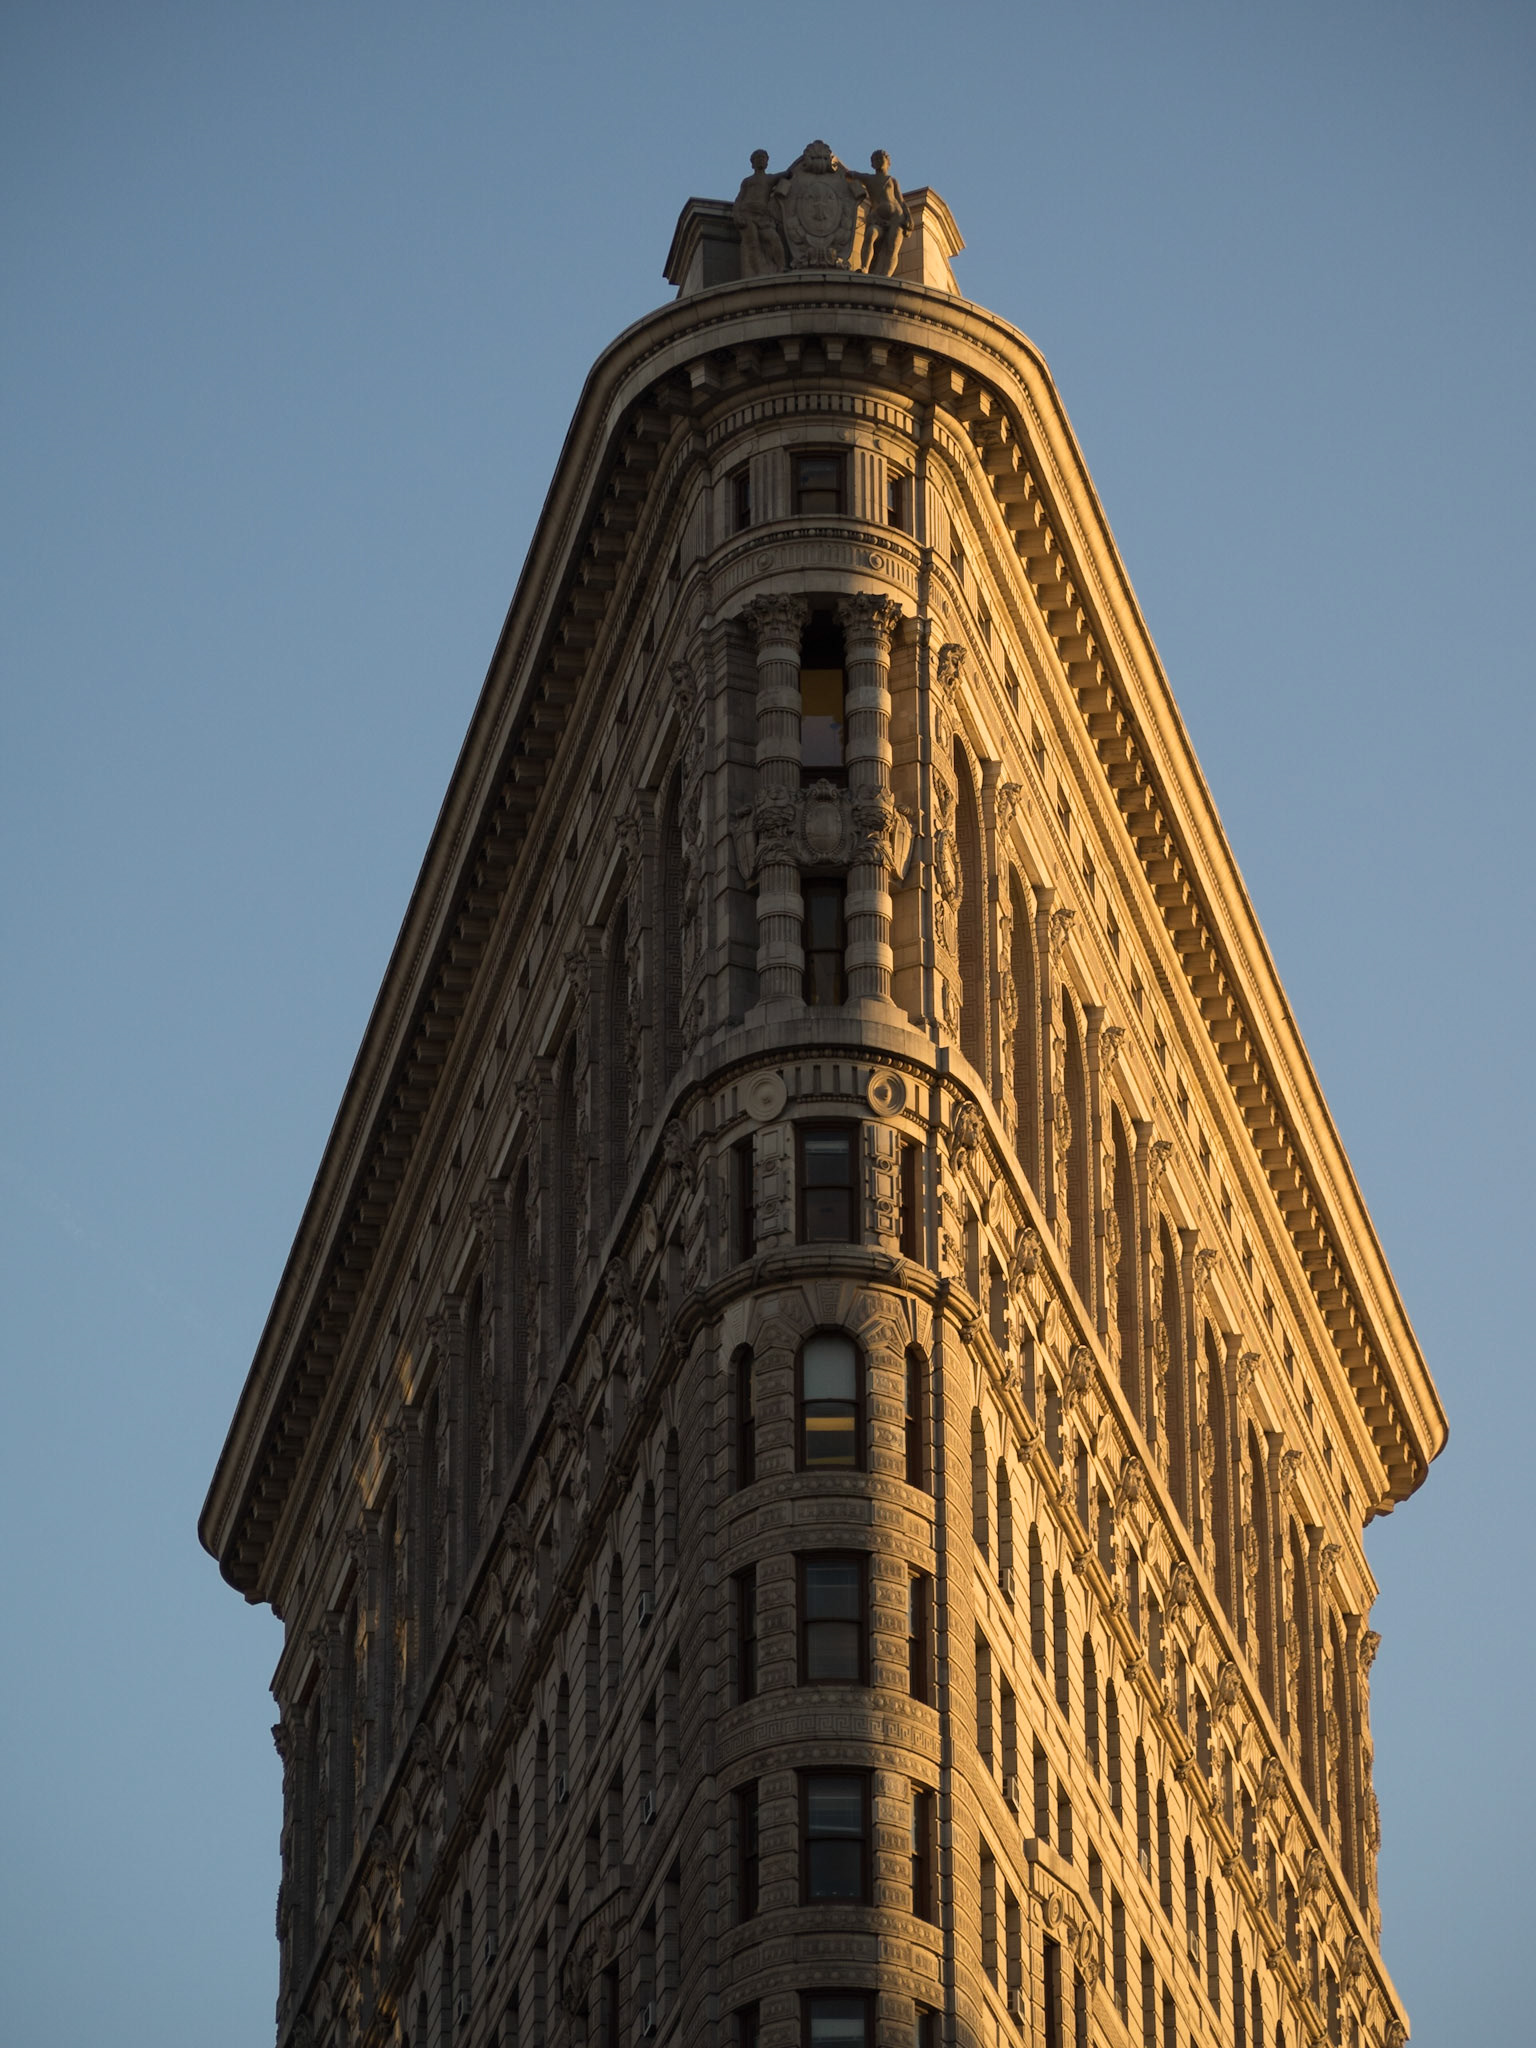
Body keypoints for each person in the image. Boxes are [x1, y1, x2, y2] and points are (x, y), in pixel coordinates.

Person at [857, 149, 912, 277]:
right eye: (875, 160)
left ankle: (886, 276)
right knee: (871, 234)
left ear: (888, 162)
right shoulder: (869, 179)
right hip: (878, 219)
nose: (878, 161)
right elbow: (852, 175)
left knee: (892, 248)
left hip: (896, 218)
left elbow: (901, 201)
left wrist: (908, 217)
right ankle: (864, 266)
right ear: (872, 164)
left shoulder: (892, 181)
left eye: (881, 159)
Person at [732, 149, 785, 276]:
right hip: (747, 214)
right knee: (752, 243)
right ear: (752, 163)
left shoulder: (770, 178)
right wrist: (737, 215)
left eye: (763, 158)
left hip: (763, 215)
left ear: (767, 162)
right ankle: (753, 272)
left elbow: (788, 172)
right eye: (758, 158)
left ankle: (781, 267)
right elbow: (739, 199)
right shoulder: (747, 181)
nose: (760, 160)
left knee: (774, 239)